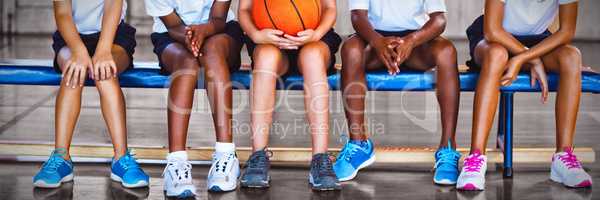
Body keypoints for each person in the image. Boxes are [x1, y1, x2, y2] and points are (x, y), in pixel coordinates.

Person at [457, 0, 592, 190]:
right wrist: (533, 59)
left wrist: (524, 57)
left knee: (571, 57)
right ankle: (475, 157)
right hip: (494, 40)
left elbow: (566, 32)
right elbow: (492, 30)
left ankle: (563, 156)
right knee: (497, 56)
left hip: (536, 40)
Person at [335, 0, 461, 185]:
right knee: (351, 49)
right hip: (373, 39)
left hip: (417, 42)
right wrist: (378, 42)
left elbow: (439, 20)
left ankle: (448, 148)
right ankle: (358, 143)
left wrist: (412, 40)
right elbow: (357, 16)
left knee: (447, 51)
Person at [33, 0, 148, 189]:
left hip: (112, 37)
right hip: (71, 37)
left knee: (105, 74)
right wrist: (78, 52)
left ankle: (121, 159)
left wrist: (103, 51)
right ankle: (61, 158)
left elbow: (113, 5)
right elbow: (62, 12)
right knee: (72, 73)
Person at [237, 0, 343, 191]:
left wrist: (317, 34)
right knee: (266, 58)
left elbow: (330, 8)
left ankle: (320, 158)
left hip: (314, 38)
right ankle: (258, 156)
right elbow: (244, 9)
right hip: (269, 39)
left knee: (312, 57)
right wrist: (256, 35)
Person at [144, 0, 243, 196]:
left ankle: (226, 154)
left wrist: (203, 32)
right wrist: (191, 38)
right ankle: (176, 162)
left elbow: (218, 18)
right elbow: (172, 25)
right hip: (172, 34)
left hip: (219, 31)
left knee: (212, 51)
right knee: (187, 63)